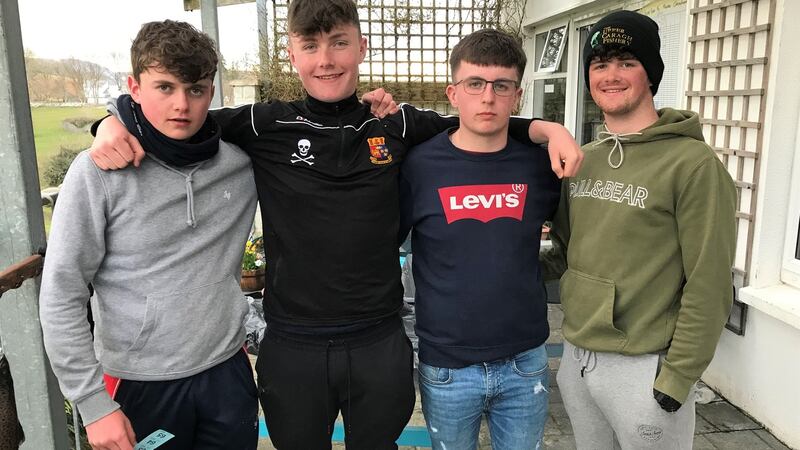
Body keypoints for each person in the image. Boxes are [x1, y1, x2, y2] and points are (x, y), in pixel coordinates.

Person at [89, 1, 583, 448]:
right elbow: (178, 113)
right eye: (310, 46)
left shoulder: (398, 125)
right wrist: (112, 120)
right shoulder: (265, 123)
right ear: (292, 54)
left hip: (378, 340)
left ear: (360, 47)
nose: (325, 59)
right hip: (293, 345)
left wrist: (547, 128)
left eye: (339, 42)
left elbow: (479, 120)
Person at [39, 20, 259, 450]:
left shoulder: (240, 164)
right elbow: (61, 294)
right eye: (164, 87)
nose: (182, 105)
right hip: (139, 384)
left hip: (227, 374)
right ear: (134, 88)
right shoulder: (98, 172)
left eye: (195, 89)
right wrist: (93, 405)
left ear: (211, 92)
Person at [541, 10, 737, 449]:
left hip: (644, 369)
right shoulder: (583, 158)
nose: (611, 75)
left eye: (626, 62)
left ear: (652, 74)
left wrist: (678, 376)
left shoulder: (693, 166)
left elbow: (709, 282)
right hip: (577, 360)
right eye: (599, 64)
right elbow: (565, 252)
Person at [398, 29, 560, 449]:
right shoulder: (419, 166)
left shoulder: (540, 167)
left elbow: (572, 239)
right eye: (475, 84)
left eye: (500, 86)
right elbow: (384, 247)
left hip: (524, 361)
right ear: (454, 93)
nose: (487, 98)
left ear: (516, 95)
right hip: (447, 366)